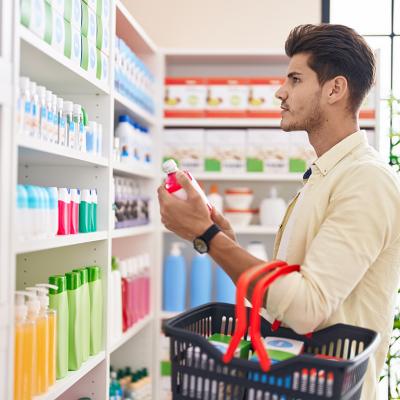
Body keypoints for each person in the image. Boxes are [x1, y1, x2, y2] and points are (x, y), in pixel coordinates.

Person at [158, 24, 400, 399]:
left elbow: (305, 308)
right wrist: (219, 238)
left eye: (295, 79)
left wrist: (207, 237)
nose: (280, 92)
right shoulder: (324, 175)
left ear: (335, 89)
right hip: (293, 384)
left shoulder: (366, 181)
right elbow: (284, 301)